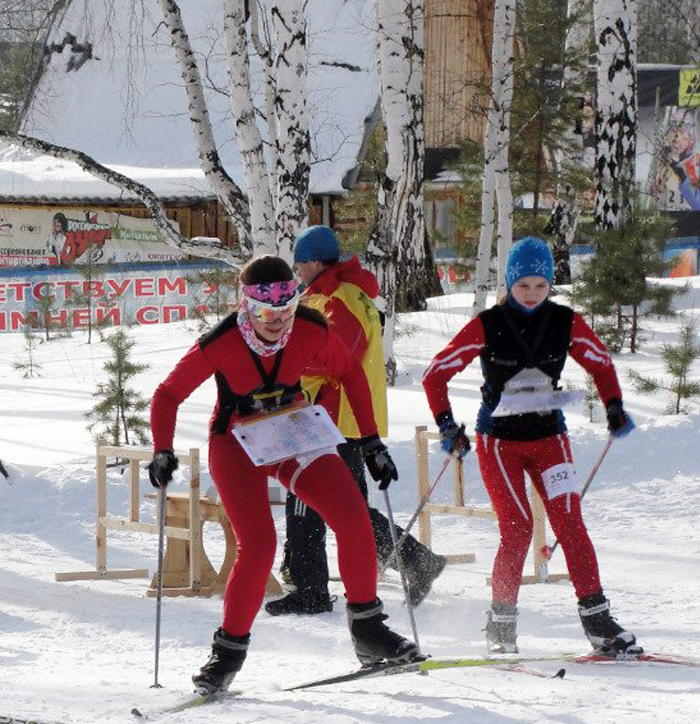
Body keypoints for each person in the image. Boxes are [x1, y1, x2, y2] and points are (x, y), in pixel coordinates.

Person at [148, 255, 423, 695]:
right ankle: (227, 654)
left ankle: (369, 631)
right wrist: (162, 449)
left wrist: (370, 441)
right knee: (259, 544)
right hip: (236, 440)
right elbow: (167, 395)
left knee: (353, 517)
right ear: (248, 307)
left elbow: (351, 372)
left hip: (292, 429)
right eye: (265, 312)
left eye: (287, 309)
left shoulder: (312, 329)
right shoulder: (221, 342)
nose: (277, 321)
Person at [422, 236, 639, 655]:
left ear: (551, 285)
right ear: (509, 283)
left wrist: (614, 406)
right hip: (499, 443)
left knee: (571, 525)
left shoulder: (565, 321)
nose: (533, 295)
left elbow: (601, 362)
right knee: (518, 529)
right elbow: (435, 373)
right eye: (524, 286)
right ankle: (501, 625)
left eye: (541, 286)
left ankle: (598, 621)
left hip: (550, 438)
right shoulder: (487, 323)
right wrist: (448, 426)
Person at [268, 226, 446, 616]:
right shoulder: (343, 292)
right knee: (346, 506)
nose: (298, 274)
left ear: (314, 262)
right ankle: (413, 560)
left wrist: (290, 361)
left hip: (334, 416)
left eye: (299, 266)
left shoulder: (339, 296)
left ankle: (311, 588)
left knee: (308, 500)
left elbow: (341, 353)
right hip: (341, 415)